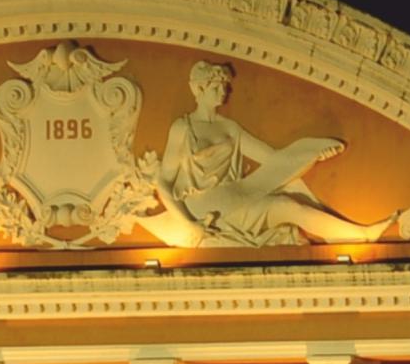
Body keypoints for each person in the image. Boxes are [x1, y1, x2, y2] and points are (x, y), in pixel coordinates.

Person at [143, 60, 395, 247]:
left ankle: (362, 234)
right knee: (285, 206)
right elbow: (164, 182)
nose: (224, 92)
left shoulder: (230, 129)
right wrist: (188, 224)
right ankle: (361, 234)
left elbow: (272, 159)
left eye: (225, 87)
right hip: (205, 211)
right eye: (217, 87)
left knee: (287, 205)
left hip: (236, 199)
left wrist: (311, 154)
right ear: (200, 89)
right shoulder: (183, 128)